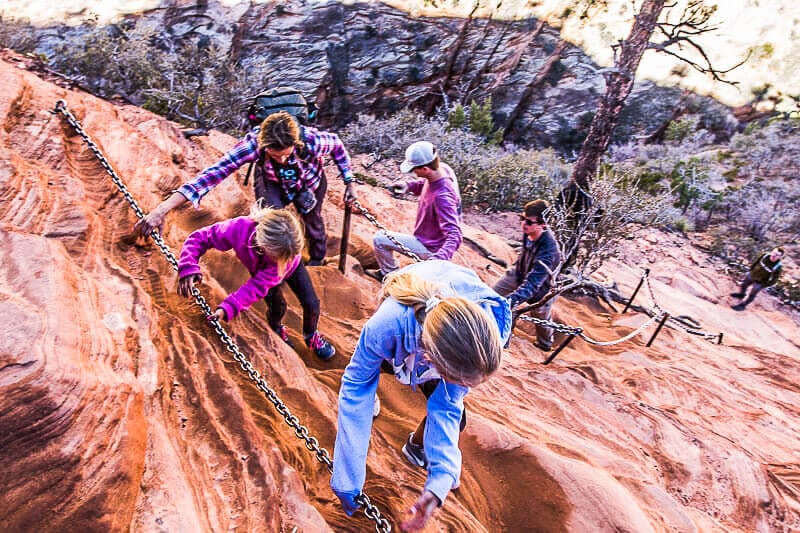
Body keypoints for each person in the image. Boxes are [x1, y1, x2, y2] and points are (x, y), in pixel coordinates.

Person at [331, 260, 511, 532]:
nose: (464, 387)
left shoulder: (483, 337)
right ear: (430, 360)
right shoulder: (385, 327)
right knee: (369, 376)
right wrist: (348, 480)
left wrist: (439, 484)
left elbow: (448, 405)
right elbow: (355, 386)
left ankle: (416, 447)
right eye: (459, 380)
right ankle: (381, 389)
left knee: (457, 412)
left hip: (440, 332)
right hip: (405, 327)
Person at [135, 111, 357, 266]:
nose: (280, 159)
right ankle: (272, 265)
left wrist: (349, 182)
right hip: (272, 181)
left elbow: (338, 145)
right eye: (274, 154)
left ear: (296, 144)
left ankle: (316, 260)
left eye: (286, 154)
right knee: (270, 219)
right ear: (263, 146)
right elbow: (210, 176)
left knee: (313, 219)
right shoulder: (253, 144)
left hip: (310, 180)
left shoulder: (313, 141)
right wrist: (161, 210)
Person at [177, 204, 335, 359]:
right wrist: (188, 266)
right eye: (278, 255)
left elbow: (265, 278)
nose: (283, 260)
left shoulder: (285, 259)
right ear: (263, 243)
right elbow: (200, 238)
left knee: (311, 303)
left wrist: (285, 259)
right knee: (278, 307)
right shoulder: (238, 229)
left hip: (292, 268)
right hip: (265, 271)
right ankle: (276, 327)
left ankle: (311, 335)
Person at [367, 141, 462, 280]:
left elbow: (455, 234)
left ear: (425, 169)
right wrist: (408, 186)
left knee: (380, 239)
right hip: (427, 237)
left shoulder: (442, 197)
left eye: (413, 169)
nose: (413, 172)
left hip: (431, 247)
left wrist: (438, 261)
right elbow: (427, 183)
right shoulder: (443, 169)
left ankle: (389, 276)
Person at [493, 199, 561, 351]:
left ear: (542, 225)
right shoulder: (528, 232)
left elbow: (533, 284)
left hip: (542, 288)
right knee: (492, 295)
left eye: (529, 222)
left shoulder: (549, 250)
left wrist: (511, 301)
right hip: (518, 273)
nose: (524, 224)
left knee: (540, 314)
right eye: (522, 218)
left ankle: (545, 344)